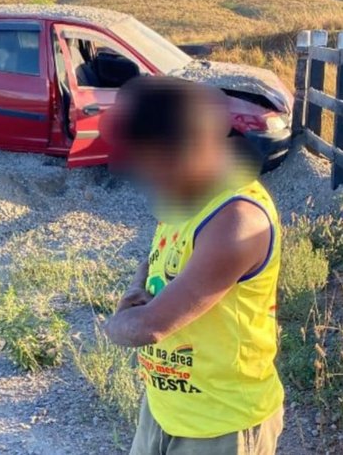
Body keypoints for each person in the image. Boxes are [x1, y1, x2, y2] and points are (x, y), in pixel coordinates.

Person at [102, 76, 284, 455]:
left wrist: (116, 325)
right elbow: (160, 255)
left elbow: (152, 327)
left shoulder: (237, 221)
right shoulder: (184, 190)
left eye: (150, 163)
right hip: (166, 409)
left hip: (222, 425)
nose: (146, 177)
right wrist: (139, 284)